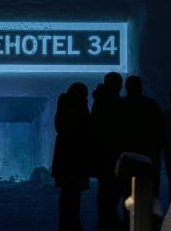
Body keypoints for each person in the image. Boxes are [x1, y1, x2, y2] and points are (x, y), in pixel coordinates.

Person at [53, 82, 91, 231]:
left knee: (68, 193)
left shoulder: (64, 106)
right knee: (73, 193)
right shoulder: (78, 108)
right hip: (76, 156)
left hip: (66, 156)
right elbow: (85, 127)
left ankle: (67, 223)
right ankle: (72, 223)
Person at [90, 72, 124, 228]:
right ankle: (108, 218)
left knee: (105, 188)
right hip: (111, 152)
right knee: (112, 187)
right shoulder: (111, 101)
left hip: (103, 152)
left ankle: (105, 218)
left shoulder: (100, 101)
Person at [121, 76, 164, 196]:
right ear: (141, 87)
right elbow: (160, 128)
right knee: (150, 191)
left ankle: (129, 214)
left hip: (127, 154)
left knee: (128, 192)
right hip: (149, 154)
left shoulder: (121, 105)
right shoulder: (151, 104)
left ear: (126, 87)